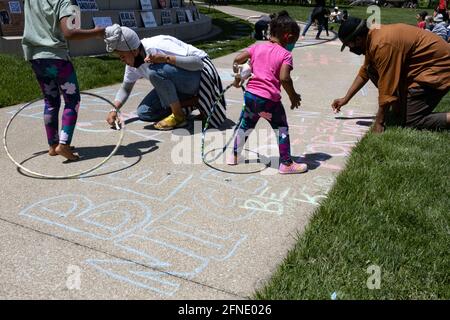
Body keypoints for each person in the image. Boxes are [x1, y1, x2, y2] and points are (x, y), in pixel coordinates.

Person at [332, 17, 450, 132]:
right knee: (371, 69)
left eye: (349, 45)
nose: (350, 49)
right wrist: (345, 99)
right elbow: (365, 72)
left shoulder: (382, 45)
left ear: (358, 39)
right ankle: (399, 108)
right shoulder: (372, 37)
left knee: (412, 121)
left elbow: (387, 86)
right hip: (422, 67)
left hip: (439, 68)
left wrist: (379, 122)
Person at [22, 0, 105, 161]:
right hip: (56, 57)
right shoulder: (64, 1)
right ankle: (64, 145)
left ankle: (53, 145)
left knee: (51, 101)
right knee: (72, 100)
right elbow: (69, 33)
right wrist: (97, 32)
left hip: (36, 57)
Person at [104, 26, 226, 130]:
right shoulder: (133, 64)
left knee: (154, 72)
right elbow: (125, 89)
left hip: (199, 77)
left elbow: (198, 63)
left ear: (134, 51)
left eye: (122, 56)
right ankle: (195, 102)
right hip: (181, 84)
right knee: (144, 112)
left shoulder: (158, 44)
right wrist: (113, 109)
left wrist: (165, 58)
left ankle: (178, 116)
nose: (121, 60)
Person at [229, 11, 307, 174]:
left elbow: (237, 60)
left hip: (250, 96)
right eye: (294, 41)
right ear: (288, 37)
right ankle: (286, 163)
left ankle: (234, 156)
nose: (293, 44)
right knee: (282, 128)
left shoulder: (257, 47)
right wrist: (293, 96)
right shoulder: (286, 55)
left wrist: (238, 79)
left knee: (245, 125)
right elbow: (284, 78)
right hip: (269, 101)